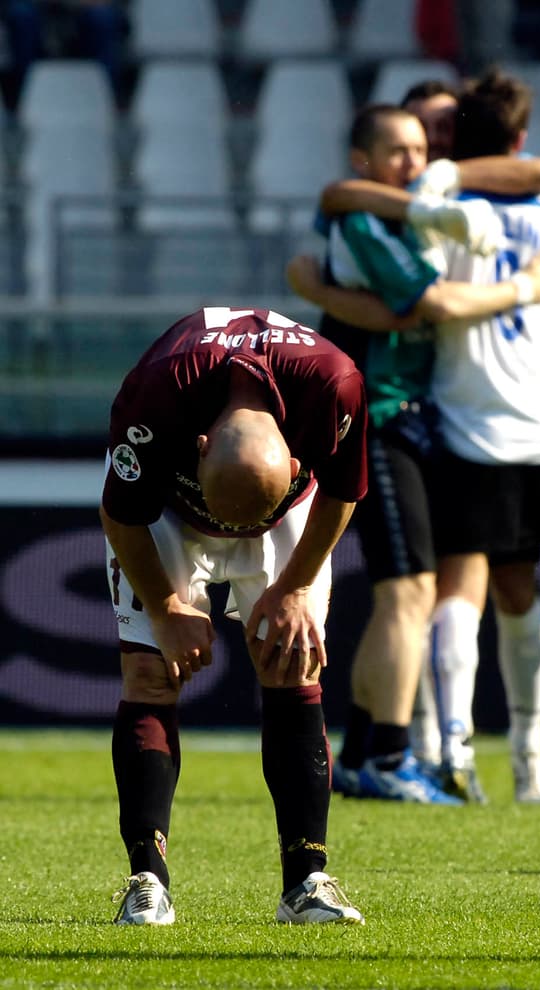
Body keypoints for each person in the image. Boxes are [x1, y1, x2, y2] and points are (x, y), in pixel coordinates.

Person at [292, 70, 540, 806]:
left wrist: (319, 287)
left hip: (462, 422)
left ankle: (447, 745)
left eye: (432, 139)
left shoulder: (440, 215)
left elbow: (419, 298)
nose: (423, 154)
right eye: (410, 140)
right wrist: (538, 272)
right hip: (528, 416)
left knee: (456, 588)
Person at [291, 102, 540, 805]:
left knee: (406, 595)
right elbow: (426, 303)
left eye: (421, 149)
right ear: (365, 160)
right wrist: (526, 289)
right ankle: (390, 755)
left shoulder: (418, 209)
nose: (414, 162)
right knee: (408, 593)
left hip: (415, 420)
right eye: (399, 150)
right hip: (379, 418)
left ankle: (362, 753)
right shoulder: (364, 223)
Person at [102, 306, 368, 926]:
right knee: (150, 675)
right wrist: (167, 607)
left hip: (289, 513)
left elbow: (342, 491)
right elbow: (120, 513)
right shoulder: (153, 395)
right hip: (168, 511)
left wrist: (295, 585)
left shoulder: (336, 386)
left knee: (292, 663)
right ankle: (147, 880)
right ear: (198, 448)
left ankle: (306, 882)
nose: (233, 535)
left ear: (295, 458)